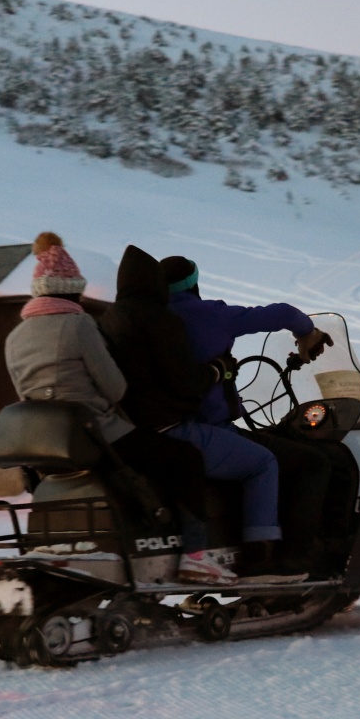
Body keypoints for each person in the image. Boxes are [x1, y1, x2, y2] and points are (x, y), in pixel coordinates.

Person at [3, 233, 225, 584]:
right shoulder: (79, 324)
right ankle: (195, 555)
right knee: (185, 458)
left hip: (44, 448)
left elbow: (25, 395)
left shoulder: (15, 337)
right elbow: (115, 387)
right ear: (72, 291)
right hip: (95, 435)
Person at [99, 245, 287, 583]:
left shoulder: (108, 320)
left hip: (127, 430)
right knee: (263, 462)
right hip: (170, 427)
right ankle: (261, 557)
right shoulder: (160, 320)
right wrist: (218, 369)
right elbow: (186, 383)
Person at [160, 254, 345, 578]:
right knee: (311, 462)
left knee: (275, 448)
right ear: (194, 284)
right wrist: (308, 334)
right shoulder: (211, 315)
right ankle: (287, 559)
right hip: (206, 430)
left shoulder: (153, 320)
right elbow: (283, 313)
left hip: (176, 428)